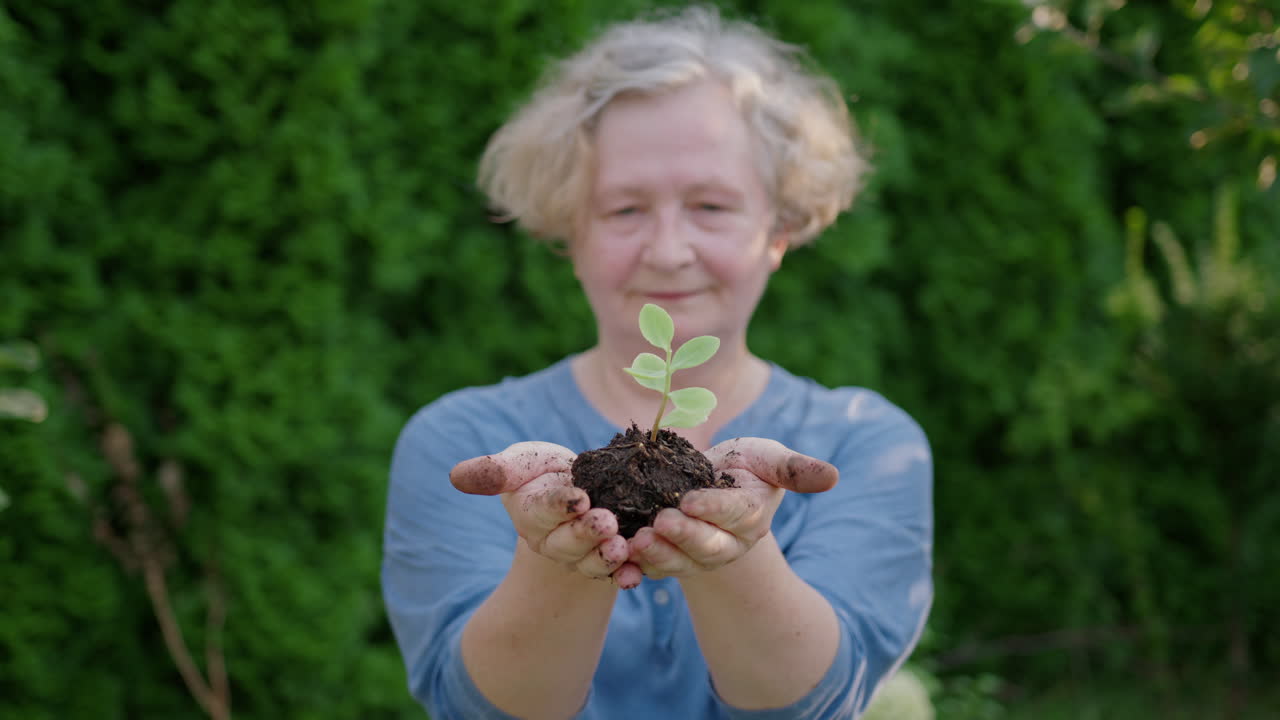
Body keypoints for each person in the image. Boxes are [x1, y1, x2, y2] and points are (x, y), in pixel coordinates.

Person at [381, 6, 933, 719]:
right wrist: (558, 557)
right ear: (566, 229)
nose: (669, 250)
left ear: (781, 227)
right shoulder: (464, 443)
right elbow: (474, 709)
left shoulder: (866, 445)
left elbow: (821, 702)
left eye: (710, 206)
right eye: (623, 211)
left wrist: (736, 556)